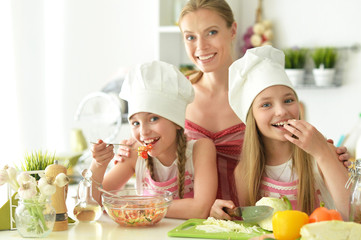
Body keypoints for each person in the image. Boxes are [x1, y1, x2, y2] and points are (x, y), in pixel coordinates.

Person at [116, 0, 350, 207]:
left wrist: (329, 155)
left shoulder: (263, 94)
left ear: (233, 30)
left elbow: (301, 153)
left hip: (254, 211)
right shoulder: (174, 96)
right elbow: (152, 140)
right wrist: (130, 149)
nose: (201, 46)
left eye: (211, 32)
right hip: (192, 213)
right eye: (190, 37)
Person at [211, 45, 350, 221]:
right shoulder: (245, 171)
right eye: (266, 104)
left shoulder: (321, 152)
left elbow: (353, 214)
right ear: (251, 116)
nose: (281, 111)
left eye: (288, 100)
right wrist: (221, 214)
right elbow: (251, 226)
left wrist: (323, 152)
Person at [90, 61, 217, 219]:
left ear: (176, 122)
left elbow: (200, 210)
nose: (143, 132)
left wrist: (141, 205)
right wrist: (98, 165)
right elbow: (94, 202)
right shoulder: (135, 153)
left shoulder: (201, 150)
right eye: (135, 123)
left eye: (153, 119)